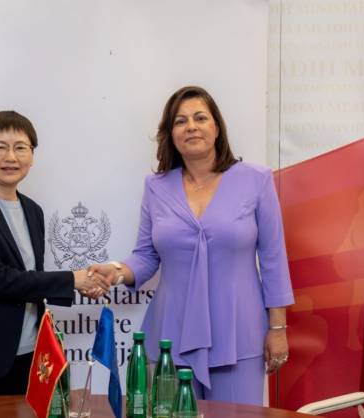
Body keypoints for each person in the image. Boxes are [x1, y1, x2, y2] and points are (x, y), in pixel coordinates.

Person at [89, 86, 294, 405]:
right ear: (170, 134)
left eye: (200, 118)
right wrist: (116, 271)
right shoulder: (155, 187)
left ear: (217, 127)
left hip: (239, 333)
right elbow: (145, 255)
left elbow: (273, 259)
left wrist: (278, 327)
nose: (191, 127)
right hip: (171, 332)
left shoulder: (256, 179)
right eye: (180, 121)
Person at [0, 111, 109, 398]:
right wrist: (73, 280)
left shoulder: (33, 210)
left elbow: (29, 278)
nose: (11, 157)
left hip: (28, 355)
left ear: (32, 156)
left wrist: (82, 284)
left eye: (21, 147)